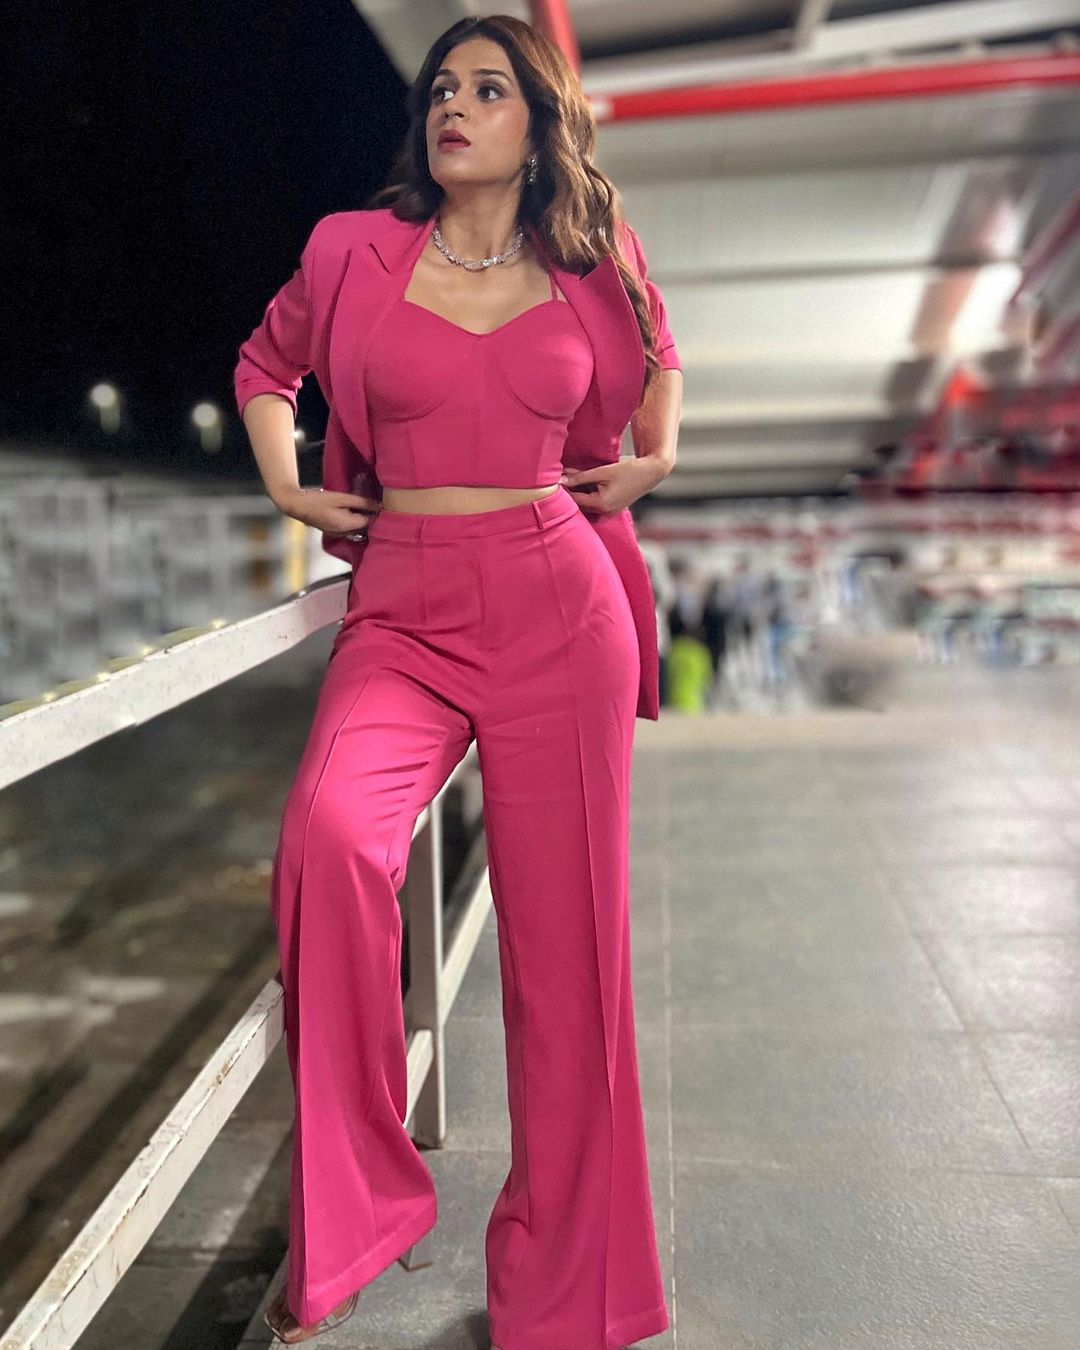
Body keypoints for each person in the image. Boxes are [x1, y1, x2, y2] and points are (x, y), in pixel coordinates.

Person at [232, 15, 683, 1348]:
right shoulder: (351, 251)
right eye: (444, 87)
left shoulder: (592, 257)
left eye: (490, 89)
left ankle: (568, 1287)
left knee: (571, 961)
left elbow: (661, 366)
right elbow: (267, 364)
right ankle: (369, 1200)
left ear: (537, 126)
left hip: (560, 603)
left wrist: (655, 457)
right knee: (328, 838)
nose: (456, 105)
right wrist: (285, 481)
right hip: (404, 607)